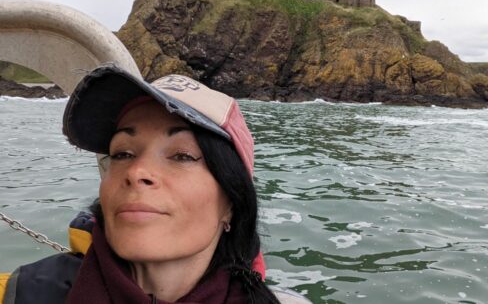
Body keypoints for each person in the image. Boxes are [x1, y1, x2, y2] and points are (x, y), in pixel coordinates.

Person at [0, 65, 281, 303]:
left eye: (181, 155)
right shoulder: (18, 293)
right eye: (122, 153)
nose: (136, 172)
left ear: (232, 202)